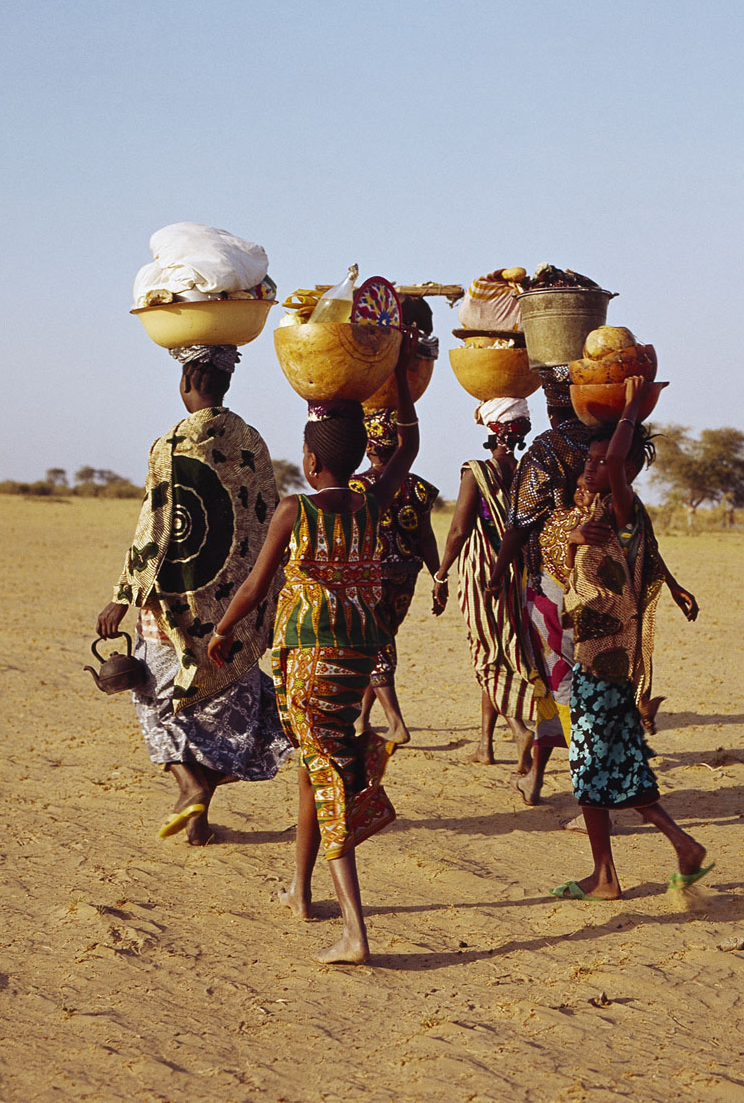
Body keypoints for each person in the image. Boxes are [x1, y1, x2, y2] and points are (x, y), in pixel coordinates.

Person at [208, 336, 420, 965]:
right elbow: (406, 446)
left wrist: (222, 632)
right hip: (355, 662)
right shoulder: (368, 500)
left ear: (308, 459)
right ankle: (300, 893)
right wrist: (399, 378)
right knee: (314, 767)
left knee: (330, 783)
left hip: (307, 662)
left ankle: (356, 931)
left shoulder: (293, 512)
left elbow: (253, 584)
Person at [96, 346, 290, 847]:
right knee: (221, 705)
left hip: (173, 605)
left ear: (186, 380)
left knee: (159, 701)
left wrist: (124, 594)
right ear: (225, 382)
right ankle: (199, 824)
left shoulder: (171, 442)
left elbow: (156, 525)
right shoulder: (253, 441)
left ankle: (189, 787)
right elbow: (263, 519)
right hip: (233, 609)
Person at [547, 376, 710, 900]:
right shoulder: (604, 514)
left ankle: (623, 870)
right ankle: (640, 862)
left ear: (626, 469)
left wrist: (632, 410)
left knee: (593, 766)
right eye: (589, 462)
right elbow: (649, 556)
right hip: (610, 657)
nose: (591, 467)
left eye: (600, 462)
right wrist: (678, 585)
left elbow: (618, 465)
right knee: (617, 763)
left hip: (603, 661)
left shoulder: (620, 504)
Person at [486, 366, 592, 804]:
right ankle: (536, 778)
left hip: (555, 582)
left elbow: (521, 520)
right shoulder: (605, 444)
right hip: (607, 581)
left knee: (558, 680)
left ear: (551, 406)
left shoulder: (550, 448)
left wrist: (497, 574)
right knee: (564, 682)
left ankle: (591, 790)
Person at [432, 398, 539, 767]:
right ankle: (485, 744)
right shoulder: (527, 470)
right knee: (504, 648)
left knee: (486, 655)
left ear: (492, 430)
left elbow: (459, 530)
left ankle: (518, 728)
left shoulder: (476, 471)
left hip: (483, 573)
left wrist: (441, 573)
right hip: (519, 572)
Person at [348, 407, 440, 744]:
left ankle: (397, 724)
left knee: (376, 643)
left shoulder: (354, 486)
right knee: (383, 640)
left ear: (368, 446)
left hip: (368, 577)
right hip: (406, 575)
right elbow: (426, 538)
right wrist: (438, 577)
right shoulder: (416, 487)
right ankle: (361, 719)